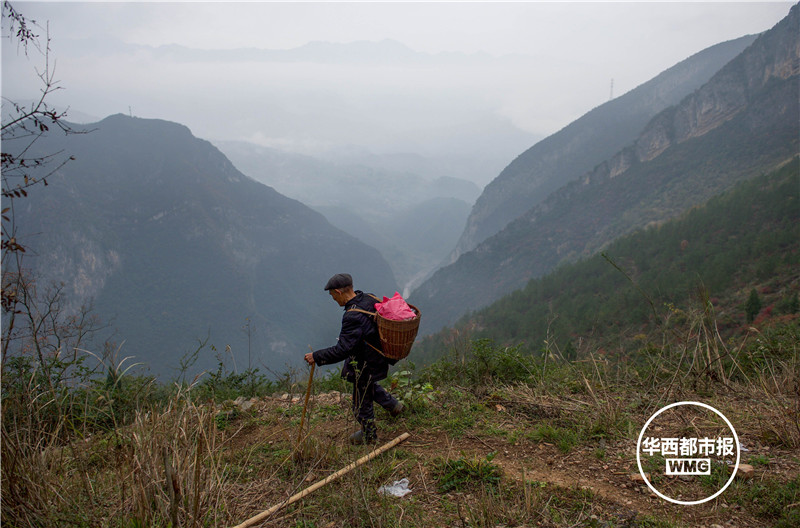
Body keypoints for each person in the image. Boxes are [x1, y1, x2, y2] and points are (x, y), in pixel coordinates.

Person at [304, 273, 404, 444]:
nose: (334, 299)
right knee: (368, 386)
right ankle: (394, 406)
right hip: (377, 357)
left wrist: (316, 356)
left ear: (339, 292)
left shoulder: (352, 316)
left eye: (333, 296)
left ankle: (369, 436)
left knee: (360, 401)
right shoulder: (368, 297)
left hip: (365, 363)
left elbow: (342, 350)